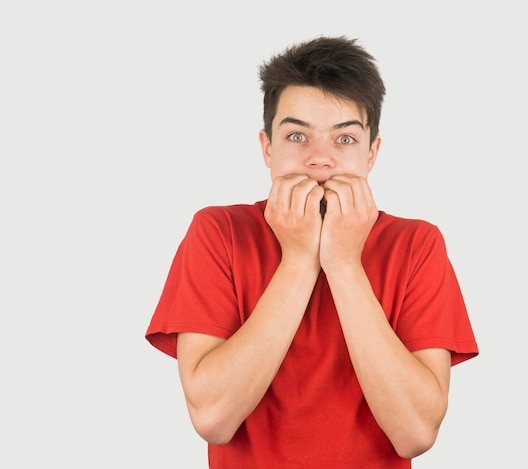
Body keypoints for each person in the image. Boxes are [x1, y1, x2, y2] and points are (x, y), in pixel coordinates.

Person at [145, 35, 479, 468]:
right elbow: (212, 418)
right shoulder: (219, 231)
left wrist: (342, 262)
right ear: (267, 147)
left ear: (372, 153)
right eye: (297, 135)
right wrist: (299, 259)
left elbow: (415, 433)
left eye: (344, 140)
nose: (320, 159)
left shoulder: (417, 244)